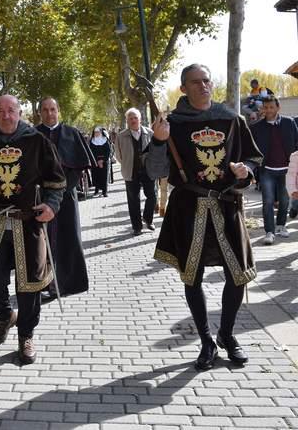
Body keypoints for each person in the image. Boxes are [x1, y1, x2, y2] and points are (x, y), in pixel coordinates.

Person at [147, 63, 261, 371]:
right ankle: (207, 341)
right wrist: (158, 141)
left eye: (207, 81)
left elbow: (253, 158)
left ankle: (226, 333)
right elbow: (155, 170)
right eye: (195, 82)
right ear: (183, 88)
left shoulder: (232, 120)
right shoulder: (170, 123)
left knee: (237, 275)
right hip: (188, 209)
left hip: (227, 206)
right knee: (192, 275)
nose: (203, 86)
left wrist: (245, 170)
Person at [0, 94, 66, 364]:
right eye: (1, 111)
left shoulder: (37, 142)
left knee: (29, 284)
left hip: (28, 222)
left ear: (20, 112)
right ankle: (6, 315)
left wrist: (51, 206)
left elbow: (56, 181)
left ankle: (26, 335)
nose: (6, 115)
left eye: (11, 110)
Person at [35, 97, 93, 300]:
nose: (49, 113)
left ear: (59, 111)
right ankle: (46, 284)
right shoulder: (32, 135)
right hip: (40, 199)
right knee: (43, 243)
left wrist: (61, 190)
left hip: (67, 197)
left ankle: (68, 283)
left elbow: (79, 167)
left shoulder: (72, 133)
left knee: (68, 240)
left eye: (53, 109)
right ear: (39, 112)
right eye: (45, 110)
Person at [249, 96, 298, 244]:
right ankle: (269, 232)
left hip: (287, 169)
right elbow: (252, 150)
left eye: (271, 107)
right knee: (268, 201)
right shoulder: (256, 127)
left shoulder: (289, 123)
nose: (269, 110)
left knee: (284, 200)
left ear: (278, 108)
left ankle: (281, 226)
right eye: (266, 107)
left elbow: (297, 142)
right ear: (262, 108)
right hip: (267, 170)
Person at [115, 108, 157, 236]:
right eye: (130, 118)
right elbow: (118, 155)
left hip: (148, 170)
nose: (133, 120)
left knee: (152, 196)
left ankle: (148, 219)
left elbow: (156, 151)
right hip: (130, 171)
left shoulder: (149, 133)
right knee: (133, 200)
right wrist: (127, 164)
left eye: (135, 118)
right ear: (127, 120)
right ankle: (137, 227)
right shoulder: (121, 136)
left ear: (140, 119)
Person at [89, 127, 111, 197]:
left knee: (104, 176)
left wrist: (103, 160)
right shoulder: (92, 141)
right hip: (95, 161)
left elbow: (108, 151)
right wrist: (97, 161)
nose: (96, 133)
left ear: (101, 132)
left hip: (104, 161)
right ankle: (96, 190)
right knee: (96, 176)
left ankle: (105, 191)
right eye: (95, 132)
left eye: (98, 132)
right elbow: (91, 152)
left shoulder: (105, 140)